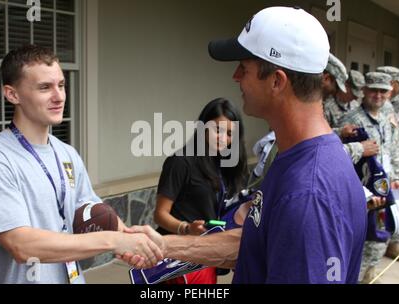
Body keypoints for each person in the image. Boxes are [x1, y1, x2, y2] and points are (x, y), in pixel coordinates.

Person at [124, 6, 367, 284]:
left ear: (277, 81)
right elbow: (257, 242)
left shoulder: (308, 193)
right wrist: (164, 246)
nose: (235, 76)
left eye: (244, 68)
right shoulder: (298, 159)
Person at [0, 45, 162, 284]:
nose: (59, 96)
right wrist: (115, 241)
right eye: (44, 87)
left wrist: (131, 240)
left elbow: (91, 209)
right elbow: (22, 246)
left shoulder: (66, 153)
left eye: (61, 85)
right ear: (12, 94)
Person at [154, 98, 248, 284]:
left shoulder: (224, 165)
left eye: (229, 134)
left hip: (205, 256)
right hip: (178, 260)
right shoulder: (181, 161)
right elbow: (159, 214)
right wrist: (187, 228)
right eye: (217, 130)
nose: (223, 138)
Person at [339, 72, 399, 282]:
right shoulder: (351, 121)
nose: (378, 95)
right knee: (359, 239)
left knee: (380, 236)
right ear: (364, 91)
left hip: (383, 188)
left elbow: (393, 150)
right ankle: (357, 276)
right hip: (361, 192)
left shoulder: (387, 118)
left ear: (389, 93)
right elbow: (342, 160)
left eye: (382, 91)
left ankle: (369, 274)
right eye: (373, 90)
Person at [376, 66, 399, 264]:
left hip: (396, 161)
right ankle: (393, 244)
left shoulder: (390, 105)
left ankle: (396, 241)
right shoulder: (393, 105)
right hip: (388, 164)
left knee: (398, 202)